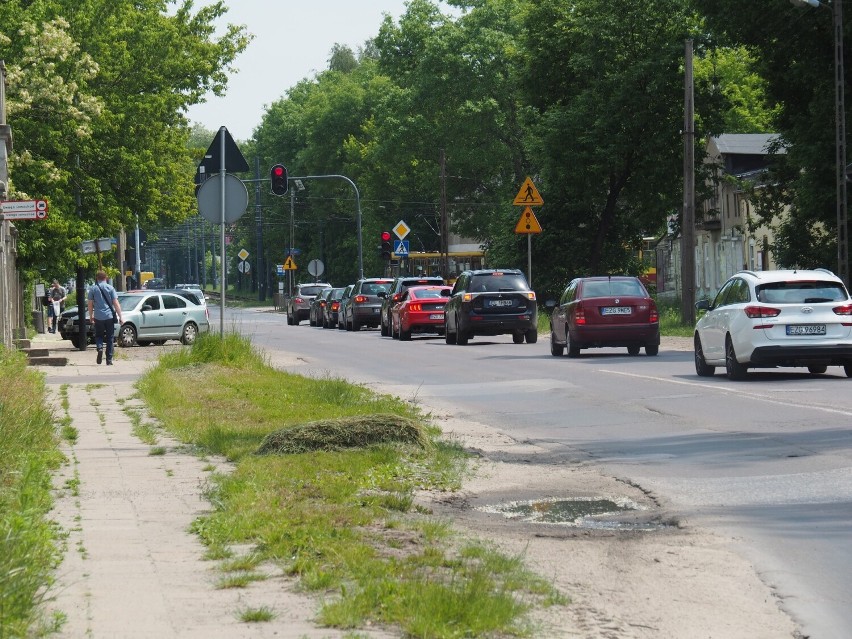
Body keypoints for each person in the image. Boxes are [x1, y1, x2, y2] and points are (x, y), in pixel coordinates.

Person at [87, 271, 123, 365]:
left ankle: (99, 348)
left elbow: (90, 304)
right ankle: (109, 360)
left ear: (96, 278)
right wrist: (120, 316)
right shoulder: (110, 288)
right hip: (109, 316)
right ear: (106, 278)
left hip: (98, 316)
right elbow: (116, 303)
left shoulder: (93, 289)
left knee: (99, 335)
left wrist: (91, 316)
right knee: (110, 337)